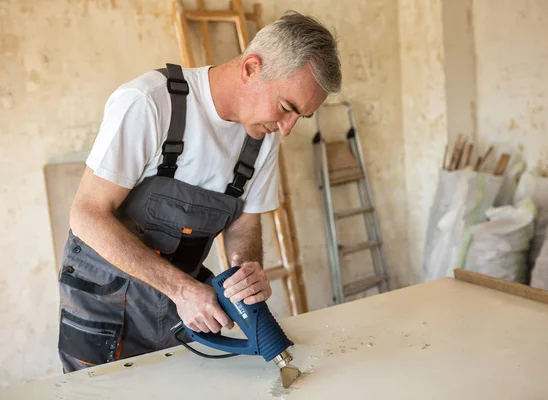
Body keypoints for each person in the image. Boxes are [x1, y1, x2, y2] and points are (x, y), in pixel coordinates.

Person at [56, 10, 342, 372]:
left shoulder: (262, 138)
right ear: (251, 68)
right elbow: (86, 215)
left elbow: (245, 223)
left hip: (179, 304)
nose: (286, 129)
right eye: (286, 108)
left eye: (298, 117)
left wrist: (246, 267)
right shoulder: (150, 103)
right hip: (104, 305)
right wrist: (180, 289)